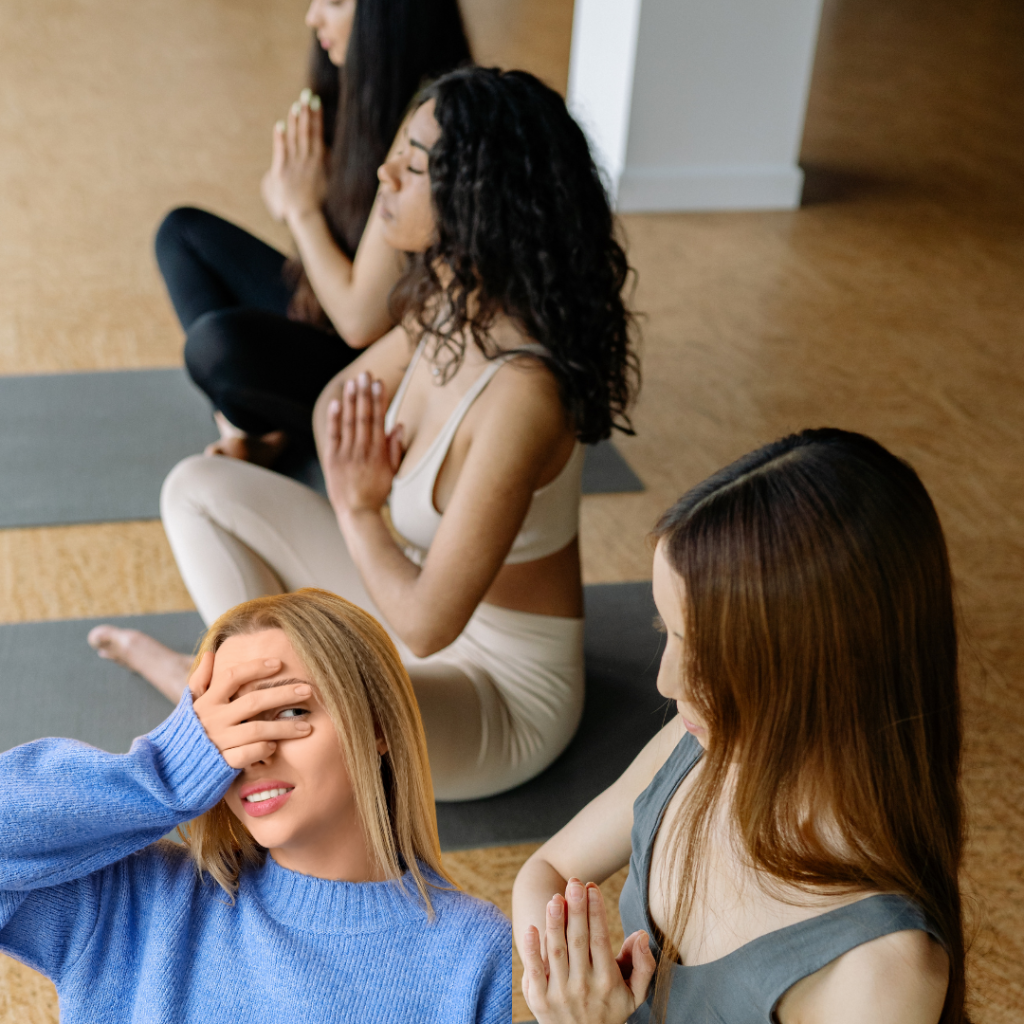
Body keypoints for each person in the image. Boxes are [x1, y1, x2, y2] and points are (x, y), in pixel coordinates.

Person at [89, 67, 640, 802]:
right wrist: (362, 489)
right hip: (398, 586)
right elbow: (329, 407)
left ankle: (207, 696)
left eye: (411, 166)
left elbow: (423, 629)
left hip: (493, 697)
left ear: (477, 203)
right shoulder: (450, 301)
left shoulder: (524, 396)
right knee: (197, 487)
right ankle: (232, 697)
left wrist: (357, 508)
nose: (382, 173)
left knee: (326, 712)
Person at [512, 429, 967, 1024]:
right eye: (666, 634)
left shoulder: (881, 973)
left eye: (701, 652)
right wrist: (566, 975)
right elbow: (544, 871)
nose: (666, 683)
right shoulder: (700, 747)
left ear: (814, 668)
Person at [2, 589, 510, 1022]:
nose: (254, 753)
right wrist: (171, 769)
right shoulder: (132, 902)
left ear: (377, 727)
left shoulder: (472, 951)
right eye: (230, 725)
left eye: (289, 712)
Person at [155, 0, 471, 465]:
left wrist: (302, 211)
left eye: (336, 2)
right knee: (182, 235)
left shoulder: (432, 119)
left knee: (217, 346)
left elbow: (359, 322)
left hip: (382, 369)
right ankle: (249, 425)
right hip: (338, 319)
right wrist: (305, 196)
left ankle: (263, 425)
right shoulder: (367, 92)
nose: (313, 17)